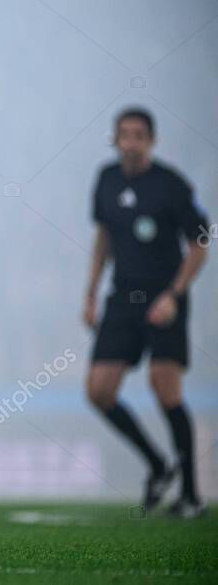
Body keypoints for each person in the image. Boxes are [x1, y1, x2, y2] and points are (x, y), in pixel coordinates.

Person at [84, 107, 209, 518]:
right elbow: (104, 236)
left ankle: (190, 494)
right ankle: (157, 466)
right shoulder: (106, 180)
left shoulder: (171, 185)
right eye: (124, 135)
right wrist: (90, 292)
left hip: (163, 297)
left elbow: (200, 242)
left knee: (164, 385)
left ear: (152, 141)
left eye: (139, 135)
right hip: (123, 297)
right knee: (99, 391)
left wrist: (175, 293)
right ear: (115, 140)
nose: (131, 142)